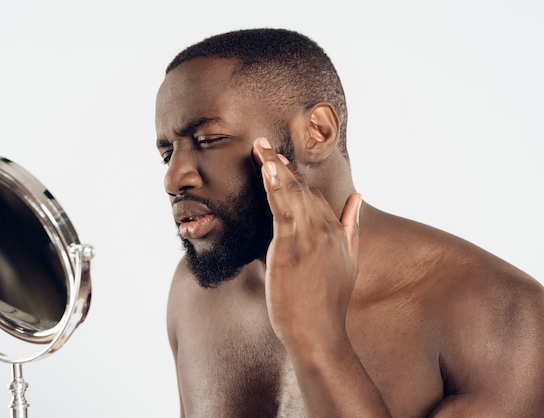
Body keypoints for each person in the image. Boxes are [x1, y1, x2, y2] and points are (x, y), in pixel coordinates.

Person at [155, 28, 544, 417]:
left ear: (318, 133)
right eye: (167, 153)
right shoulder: (195, 290)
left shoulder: (506, 317)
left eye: (209, 139)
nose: (174, 179)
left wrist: (318, 339)